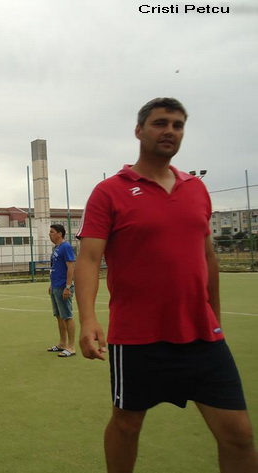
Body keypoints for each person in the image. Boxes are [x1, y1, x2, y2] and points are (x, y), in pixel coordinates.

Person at [75, 97, 257, 472]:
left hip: (203, 337)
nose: (170, 131)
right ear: (139, 130)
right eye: (160, 123)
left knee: (238, 435)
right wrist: (88, 319)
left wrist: (215, 317)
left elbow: (208, 257)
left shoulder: (196, 189)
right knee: (127, 426)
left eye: (177, 125)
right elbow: (89, 259)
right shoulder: (109, 192)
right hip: (137, 337)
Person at [46, 224, 76, 357]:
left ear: (60, 233)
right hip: (55, 286)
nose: (50, 234)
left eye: (52, 232)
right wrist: (51, 285)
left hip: (63, 286)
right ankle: (62, 344)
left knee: (67, 316)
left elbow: (71, 267)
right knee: (59, 316)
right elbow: (55, 268)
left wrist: (68, 286)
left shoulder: (66, 247)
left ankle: (71, 347)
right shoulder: (56, 248)